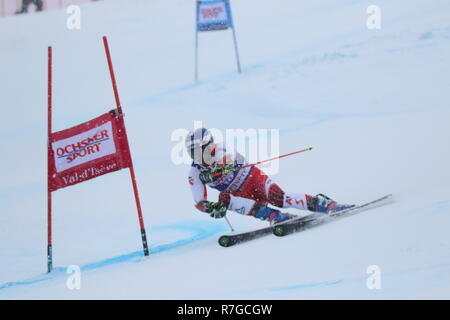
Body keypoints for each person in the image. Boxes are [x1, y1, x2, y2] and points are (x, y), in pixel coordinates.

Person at [186, 128, 353, 224]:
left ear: (211, 145)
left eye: (202, 150)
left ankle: (325, 205)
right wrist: (212, 208)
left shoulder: (223, 148)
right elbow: (199, 202)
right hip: (240, 195)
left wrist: (214, 173)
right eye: (193, 153)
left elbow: (228, 162)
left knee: (279, 198)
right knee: (224, 199)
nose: (199, 156)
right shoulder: (195, 173)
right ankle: (273, 216)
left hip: (253, 179)